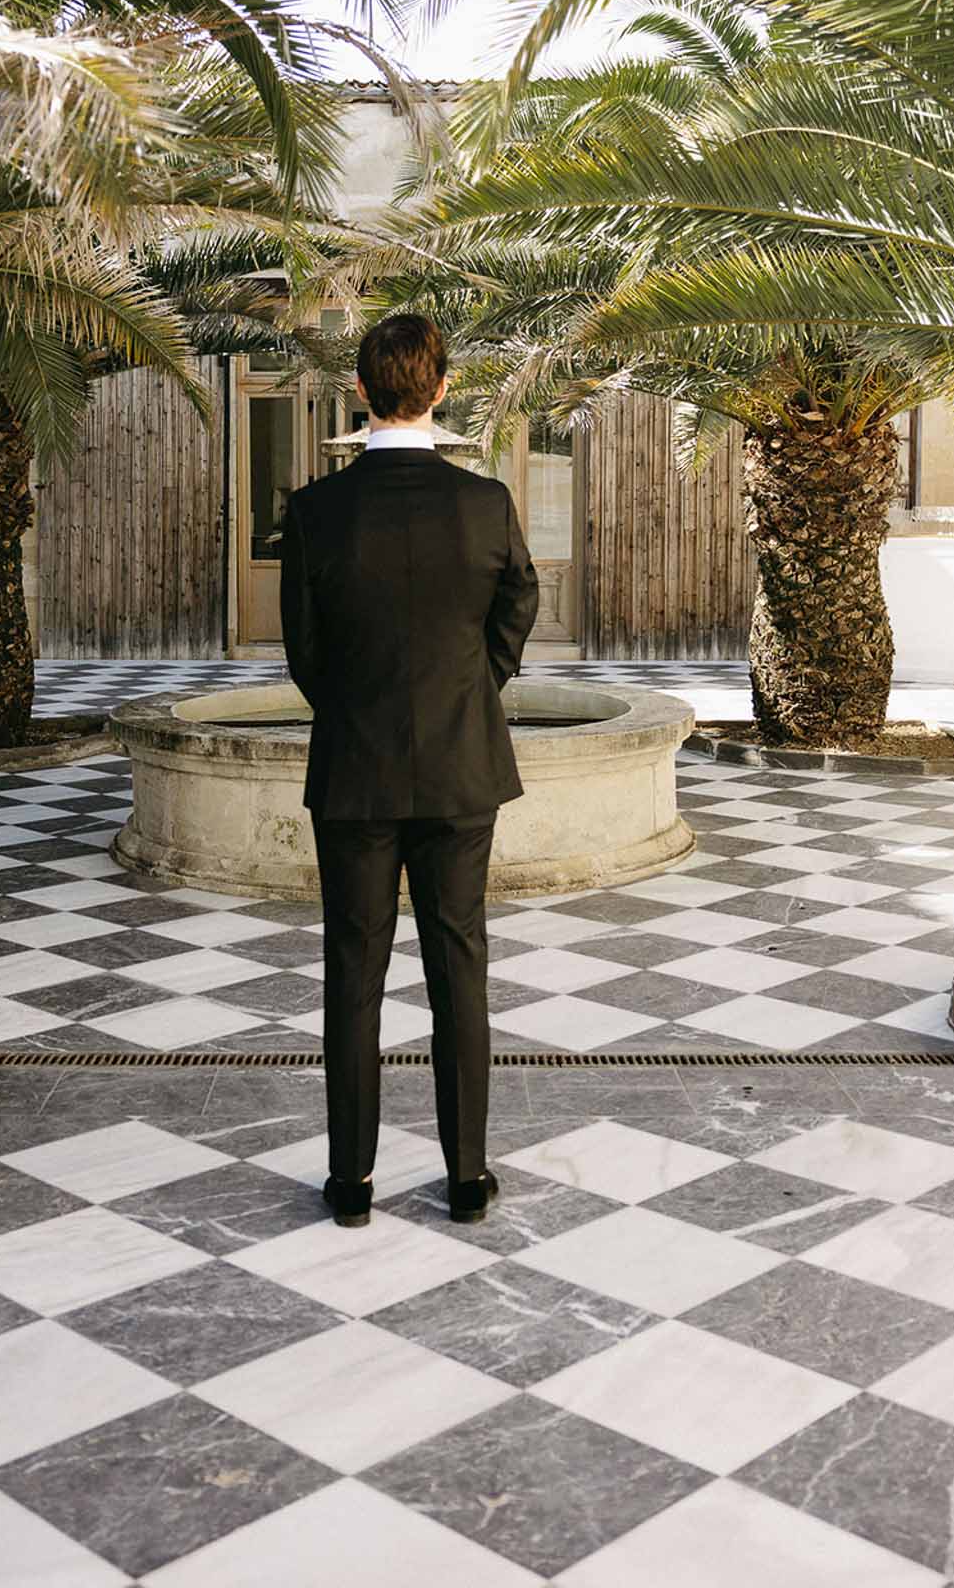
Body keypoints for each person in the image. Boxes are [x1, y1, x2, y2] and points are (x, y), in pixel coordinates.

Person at [279, 314, 539, 1226]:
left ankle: (351, 1182)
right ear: (441, 389)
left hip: (353, 771)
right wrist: (478, 687)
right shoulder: (487, 502)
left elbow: (303, 653)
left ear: (359, 393)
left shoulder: (314, 510)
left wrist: (355, 711)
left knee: (353, 973)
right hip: (464, 770)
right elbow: (519, 603)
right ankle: (466, 1179)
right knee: (457, 966)